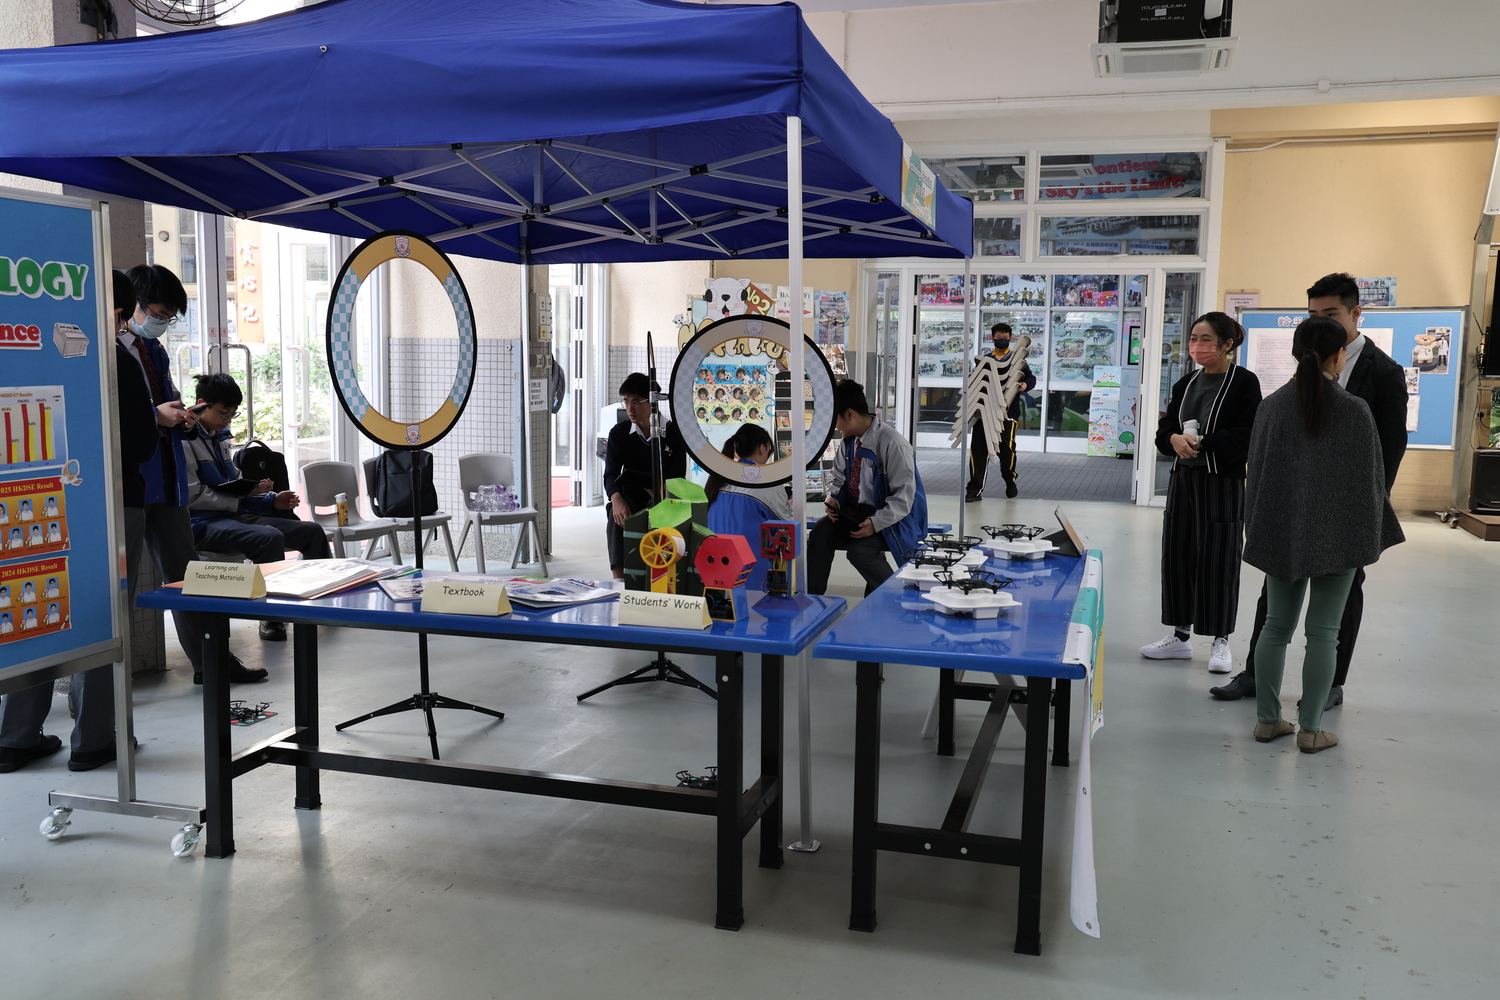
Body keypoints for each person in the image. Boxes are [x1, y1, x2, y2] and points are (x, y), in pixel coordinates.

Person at [1213, 273, 1408, 705]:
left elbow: (1390, 447)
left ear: (1356, 314)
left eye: (1331, 314)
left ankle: (1330, 685)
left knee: (1342, 597)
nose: (1321, 323)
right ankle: (1256, 676)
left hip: (1347, 508)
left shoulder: (1383, 372)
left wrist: (1370, 509)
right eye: (1313, 314)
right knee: (1276, 592)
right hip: (1293, 502)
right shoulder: (1298, 376)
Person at [0, 271, 160, 773]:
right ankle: (93, 740)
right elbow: (141, 444)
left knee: (38, 609)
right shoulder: (115, 360)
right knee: (101, 616)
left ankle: (14, 737)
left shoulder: (27, 353)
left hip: (36, 501)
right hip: (111, 503)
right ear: (118, 311)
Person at [1240, 316, 1403, 752]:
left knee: (1275, 626)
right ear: (1338, 355)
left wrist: (1258, 527)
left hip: (1281, 534)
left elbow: (1256, 477)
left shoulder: (1271, 407)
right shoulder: (1355, 410)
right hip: (1338, 538)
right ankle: (1311, 730)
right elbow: (1371, 482)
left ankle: (1267, 721)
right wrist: (1367, 534)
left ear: (1296, 353)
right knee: (1324, 633)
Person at [123, 265, 264, 684]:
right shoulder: (108, 349)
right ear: (132, 304)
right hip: (129, 484)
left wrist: (182, 416)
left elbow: (164, 404)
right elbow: (109, 415)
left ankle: (211, 662)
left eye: (169, 316)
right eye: (158, 313)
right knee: (118, 590)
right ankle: (104, 688)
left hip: (166, 482)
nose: (162, 322)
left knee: (188, 577)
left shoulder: (155, 351)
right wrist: (154, 415)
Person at [1140, 312, 1262, 675]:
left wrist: (1204, 443)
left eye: (1206, 339)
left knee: (1219, 557)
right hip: (1183, 480)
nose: (1197, 346)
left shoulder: (1244, 383)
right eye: (1194, 338)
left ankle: (1221, 639)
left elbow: (1248, 434)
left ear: (1227, 344)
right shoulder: (1186, 384)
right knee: (1177, 553)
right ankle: (1180, 635)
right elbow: (1165, 428)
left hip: (1221, 482)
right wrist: (1173, 439)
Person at [186, 372, 332, 641]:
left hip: (233, 517)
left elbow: (235, 486)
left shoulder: (220, 439)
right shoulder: (185, 442)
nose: (228, 420)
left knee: (311, 531)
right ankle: (272, 617)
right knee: (268, 537)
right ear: (201, 404)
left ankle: (323, 603)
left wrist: (270, 499)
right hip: (203, 524)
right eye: (224, 413)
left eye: (233, 414)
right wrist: (243, 497)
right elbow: (193, 496)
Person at [808, 379, 928, 596]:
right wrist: (834, 499)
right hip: (856, 515)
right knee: (820, 532)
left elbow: (903, 499)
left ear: (850, 414)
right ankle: (812, 597)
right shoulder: (848, 442)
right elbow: (838, 478)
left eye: (835, 418)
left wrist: (875, 523)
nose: (834, 426)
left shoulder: (893, 444)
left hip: (894, 520)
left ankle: (894, 597)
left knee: (860, 552)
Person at [602, 372, 687, 580]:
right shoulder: (619, 433)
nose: (630, 409)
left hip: (662, 498)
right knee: (615, 513)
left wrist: (662, 492)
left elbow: (678, 477)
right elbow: (611, 473)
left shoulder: (673, 434)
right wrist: (616, 497)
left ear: (653, 402)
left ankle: (661, 576)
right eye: (626, 401)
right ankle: (618, 579)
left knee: (658, 510)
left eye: (636, 402)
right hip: (630, 497)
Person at [705, 423, 793, 593]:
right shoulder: (767, 483)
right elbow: (786, 528)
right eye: (769, 451)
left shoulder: (717, 481)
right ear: (762, 448)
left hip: (715, 576)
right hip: (753, 581)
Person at [965, 322, 1037, 501]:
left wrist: (1024, 385)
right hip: (983, 412)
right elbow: (973, 379)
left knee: (1007, 450)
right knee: (978, 450)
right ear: (992, 338)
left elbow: (1031, 378)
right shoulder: (985, 360)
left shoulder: (1016, 360)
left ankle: (1010, 481)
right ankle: (974, 490)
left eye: (1005, 338)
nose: (1002, 340)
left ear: (1010, 338)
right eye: (999, 338)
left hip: (1008, 414)